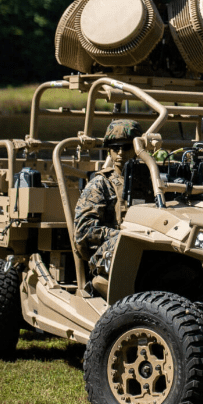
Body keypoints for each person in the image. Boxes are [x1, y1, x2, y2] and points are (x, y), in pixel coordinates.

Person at [74, 119, 141, 290]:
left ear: (137, 148)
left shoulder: (153, 181)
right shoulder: (100, 184)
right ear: (109, 151)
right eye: (115, 148)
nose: (120, 153)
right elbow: (84, 232)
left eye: (126, 147)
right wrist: (124, 238)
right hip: (113, 253)